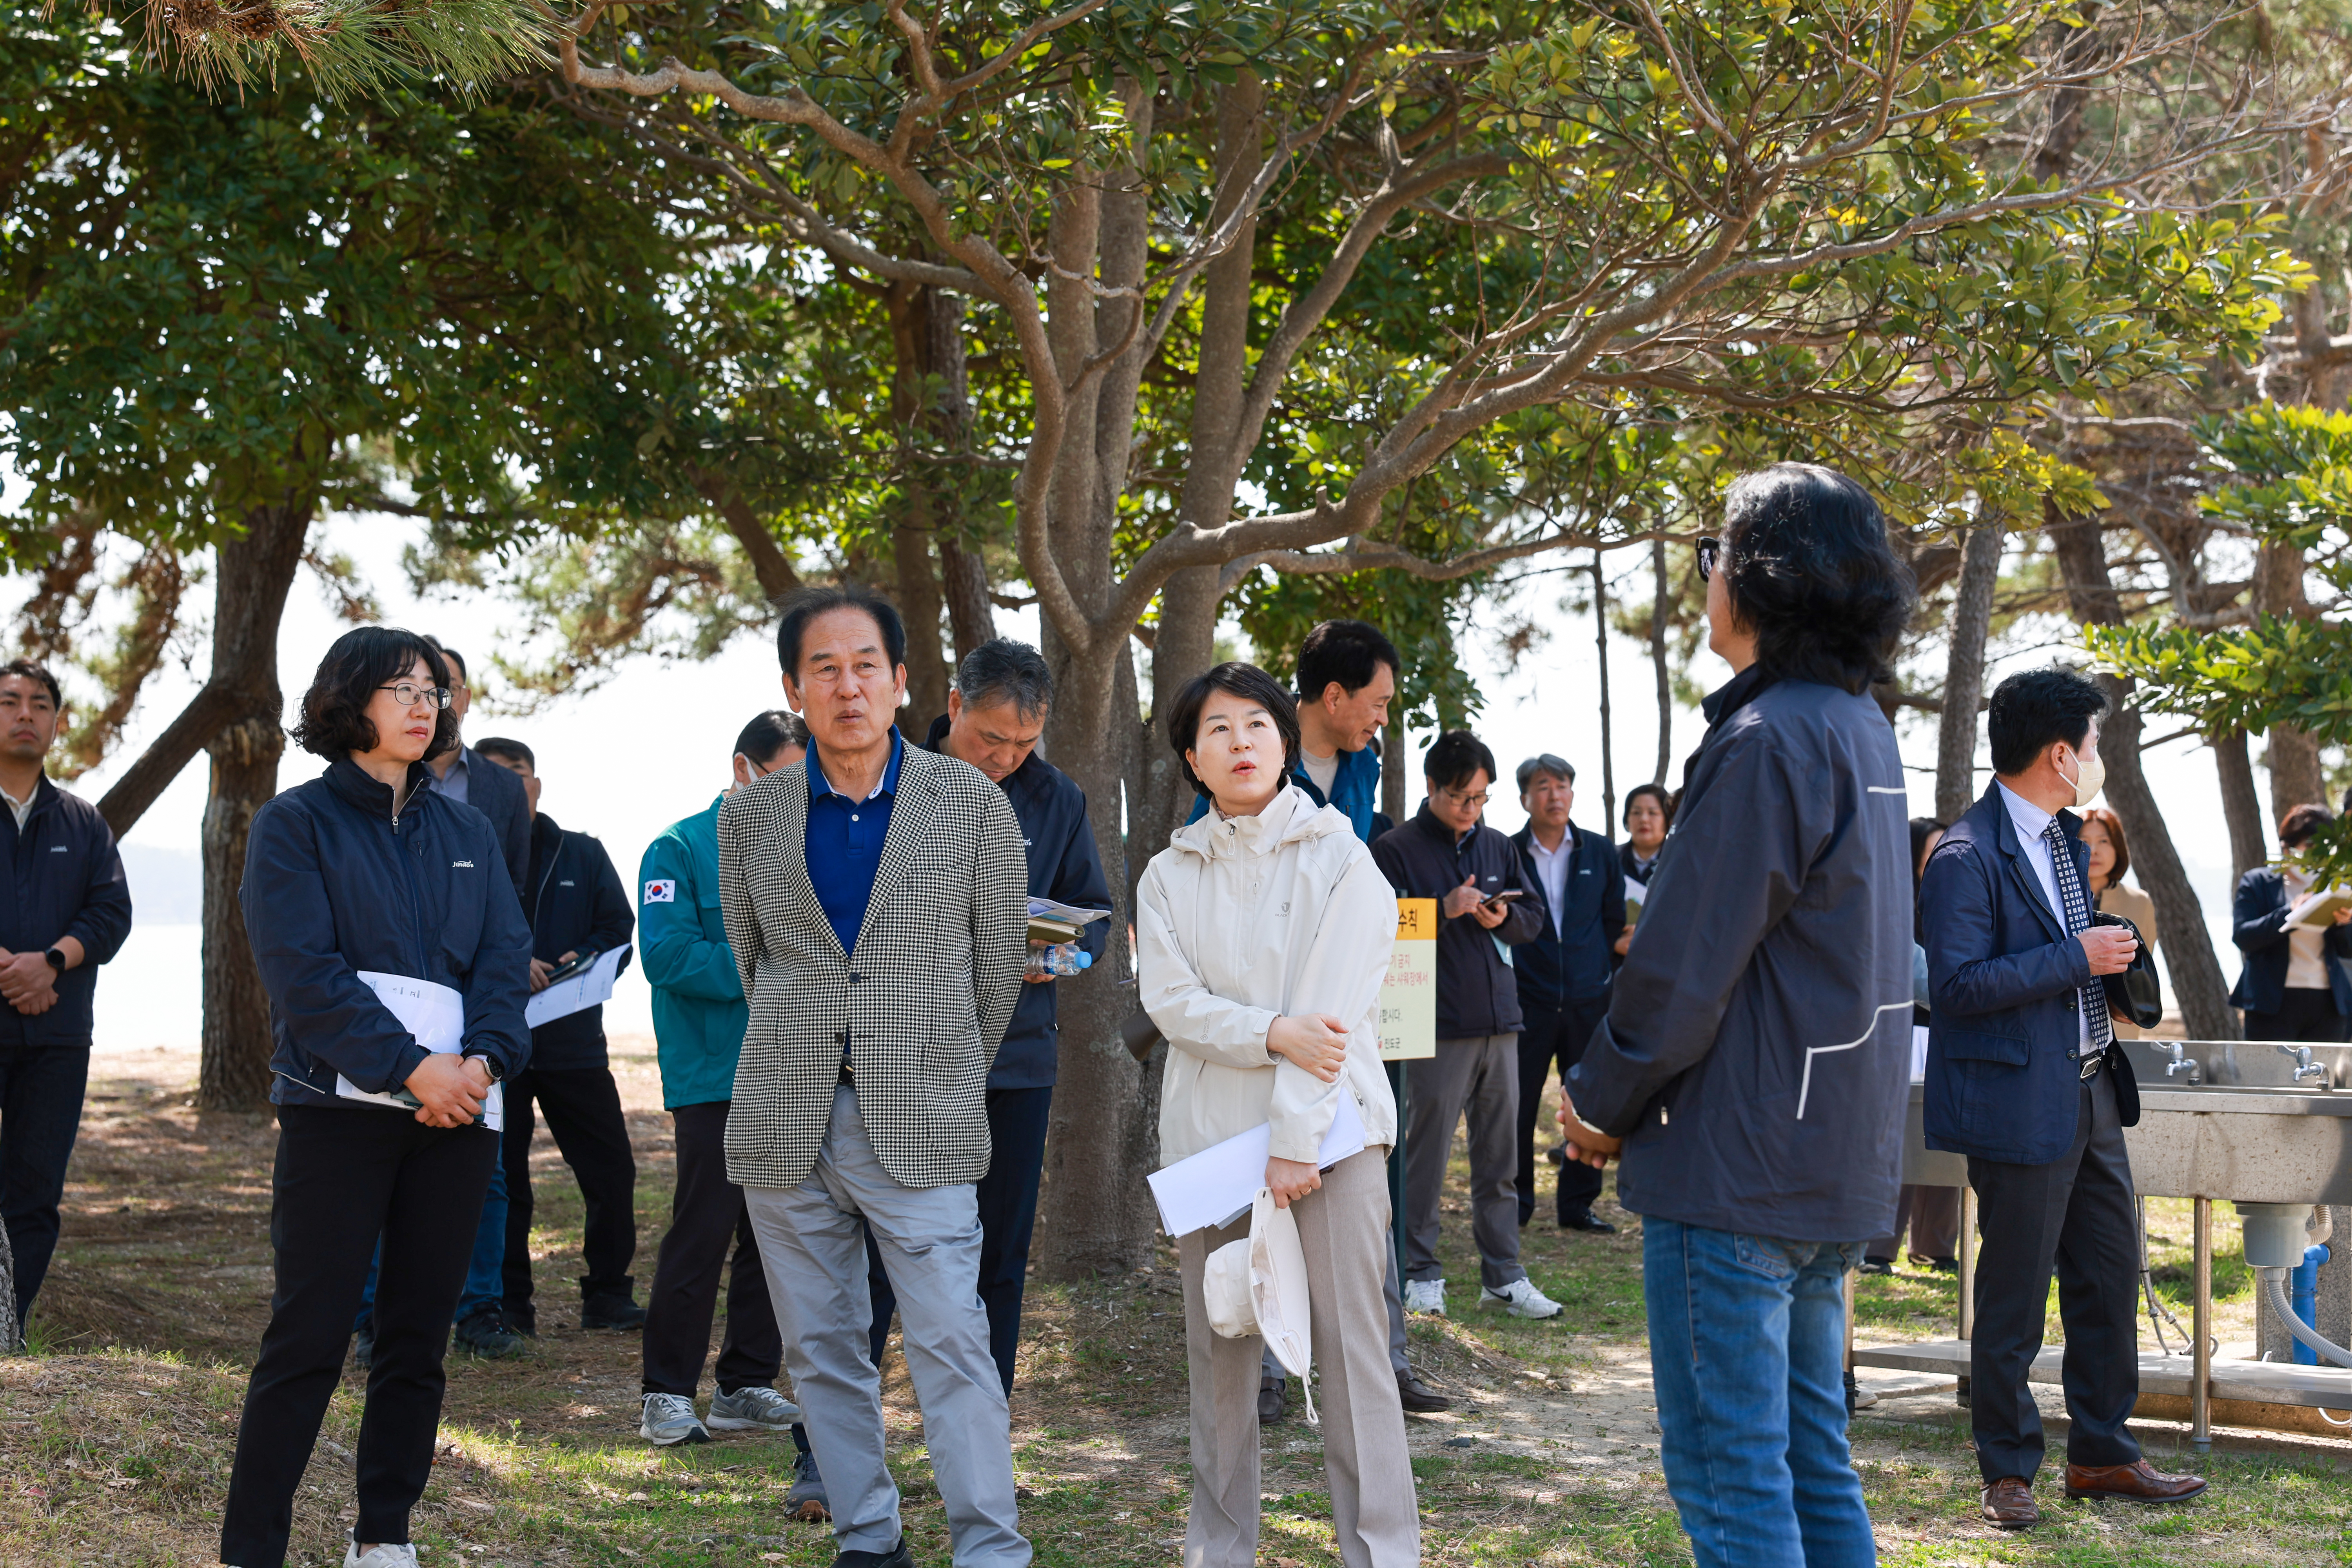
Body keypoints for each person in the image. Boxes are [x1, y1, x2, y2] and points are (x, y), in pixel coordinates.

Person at [1557, 463, 1918, 1568]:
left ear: (1759, 580)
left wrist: (1598, 1102)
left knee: (1733, 1479)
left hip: (1739, 1164)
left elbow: (1677, 974)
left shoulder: (1768, 741)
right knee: (1814, 1461)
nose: (1706, 580)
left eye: (1714, 557)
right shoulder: (1861, 729)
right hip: (1827, 1159)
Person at [719, 585, 1030, 1568]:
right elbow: (751, 958)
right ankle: (868, 1536)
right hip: (786, 1117)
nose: (847, 687)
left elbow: (995, 972)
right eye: (824, 668)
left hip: (923, 1116)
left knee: (951, 1342)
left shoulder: (970, 802)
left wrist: (936, 1071)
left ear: (902, 683)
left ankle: (988, 1544)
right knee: (820, 1350)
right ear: (793, 688)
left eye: (865, 666)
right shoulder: (749, 817)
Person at [219, 628, 532, 1568]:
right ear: (348, 701)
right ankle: (251, 1546)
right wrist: (409, 1067)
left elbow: (505, 962)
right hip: (337, 1112)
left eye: (432, 687)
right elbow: (303, 974)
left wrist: (480, 1064)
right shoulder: (295, 823)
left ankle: (385, 1533)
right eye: (400, 687)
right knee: (309, 1332)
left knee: (416, 1337)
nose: (422, 702)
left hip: (460, 1116)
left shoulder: (471, 828)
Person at [1136, 661, 1416, 1568]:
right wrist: (1272, 1029)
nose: (1241, 743)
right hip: (1212, 1150)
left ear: (1285, 743)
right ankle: (1219, 1551)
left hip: (1333, 1142)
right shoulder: (1165, 877)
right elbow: (1171, 1004)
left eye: (1257, 724)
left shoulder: (1343, 855)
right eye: (1217, 729)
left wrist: (1295, 1141)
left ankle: (1382, 1552)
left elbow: (1333, 1017)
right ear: (1192, 758)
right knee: (1219, 1359)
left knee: (1354, 1356)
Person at [1922, 665, 2206, 1529]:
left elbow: (2074, 953)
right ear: (2059, 752)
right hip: (2016, 1107)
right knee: (2013, 1295)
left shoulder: (2061, 838)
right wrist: (2077, 958)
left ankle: (2102, 1451)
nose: (2097, 757)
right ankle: (2007, 1467)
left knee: (2107, 1279)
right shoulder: (1966, 855)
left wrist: (2111, 967)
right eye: (2091, 743)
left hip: (2090, 1094)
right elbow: (1960, 985)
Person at [864, 639, 1112, 1399]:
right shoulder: (881, 780)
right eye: (991, 739)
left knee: (997, 1261)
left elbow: (1093, 919)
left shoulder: (1058, 798)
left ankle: (981, 1446)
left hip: (1015, 1060)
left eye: (1024, 743)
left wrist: (1059, 954)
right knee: (874, 1258)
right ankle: (827, 1453)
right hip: (897, 1062)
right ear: (952, 707)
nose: (1006, 757)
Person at [635, 711, 808, 1457]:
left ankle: (743, 1383)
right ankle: (665, 1394)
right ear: (745, 770)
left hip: (794, 1071)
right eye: (789, 783)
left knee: (777, 1239)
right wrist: (766, 963)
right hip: (714, 1074)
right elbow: (668, 956)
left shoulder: (810, 850)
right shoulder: (676, 849)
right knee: (702, 1233)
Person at [1373, 730, 1563, 1320]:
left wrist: (1504, 916)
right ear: (1432, 787)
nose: (1471, 809)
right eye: (1461, 797)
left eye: (1481, 798)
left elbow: (1533, 918)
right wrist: (1441, 910)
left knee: (1501, 1158)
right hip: (1433, 1026)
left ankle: (1504, 1275)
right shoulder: (1394, 848)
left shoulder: (1500, 846)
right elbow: (1376, 928)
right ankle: (1419, 1273)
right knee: (1424, 1160)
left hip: (1501, 1021)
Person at [472, 738, 646, 1337]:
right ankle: (511, 1307)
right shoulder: (467, 852)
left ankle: (607, 1295)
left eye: (516, 774)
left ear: (536, 784)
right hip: (497, 1046)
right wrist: (507, 961)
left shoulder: (582, 853)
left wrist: (587, 957)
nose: (507, 786)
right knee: (506, 1182)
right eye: (491, 776)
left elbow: (619, 930)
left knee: (610, 1171)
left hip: (574, 1042)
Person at [0, 659, 131, 1334]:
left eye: (40, 704)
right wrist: (9, 970)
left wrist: (50, 963)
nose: (26, 714)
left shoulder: (83, 823)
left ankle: (9, 1328)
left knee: (34, 1194)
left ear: (56, 722)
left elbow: (111, 914)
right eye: (10, 701)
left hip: (56, 1038)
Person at [1507, 754, 1623, 1234]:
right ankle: (1515, 1204)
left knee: (1586, 1102)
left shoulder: (1599, 851)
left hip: (1586, 1000)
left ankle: (1578, 1205)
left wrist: (1598, 979)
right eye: (1543, 786)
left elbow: (1614, 923)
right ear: (1525, 798)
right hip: (1527, 1000)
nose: (1555, 795)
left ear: (1573, 794)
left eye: (1563, 786)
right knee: (1518, 1103)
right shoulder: (1508, 851)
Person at [1862, 817, 1959, 1276]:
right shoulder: (1890, 902)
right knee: (1897, 1140)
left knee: (1946, 1139)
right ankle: (1878, 1246)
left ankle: (1936, 1246)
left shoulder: (1961, 899)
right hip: (1901, 1034)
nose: (1938, 861)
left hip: (1946, 1033)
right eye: (1929, 853)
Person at [418, 639, 532, 898]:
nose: (441, 699)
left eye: (450, 688)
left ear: (467, 699)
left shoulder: (508, 786)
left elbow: (513, 886)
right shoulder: (390, 777)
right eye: (429, 689)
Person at [2231, 803, 2352, 1042]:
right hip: (2271, 1004)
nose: (2317, 854)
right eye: (2309, 846)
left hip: (2328, 1003)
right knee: (2268, 1077)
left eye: (2324, 848)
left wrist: (2344, 923)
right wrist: (2289, 912)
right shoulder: (2258, 882)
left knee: (2326, 1078)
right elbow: (2244, 937)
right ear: (2287, 847)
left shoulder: (2335, 885)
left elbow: (2347, 950)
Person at [2081, 807, 2160, 1040]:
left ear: (2118, 847)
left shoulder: (2139, 902)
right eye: (2084, 841)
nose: (2094, 851)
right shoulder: (2053, 897)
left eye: (2104, 841)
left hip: (2120, 1030)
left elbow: (2141, 972)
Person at [1613, 784, 1670, 958]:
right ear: (1627, 820)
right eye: (1636, 813)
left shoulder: (1681, 863)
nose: (1644, 819)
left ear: (1668, 820)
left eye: (1653, 813)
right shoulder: (1611, 860)